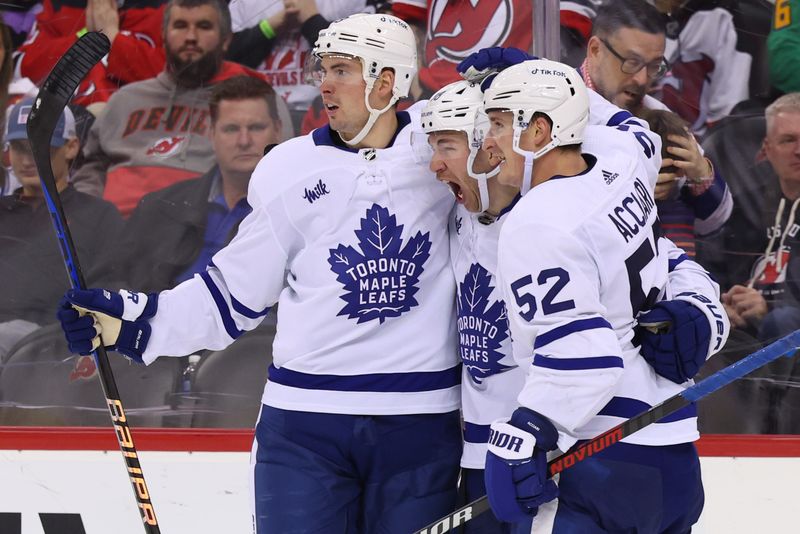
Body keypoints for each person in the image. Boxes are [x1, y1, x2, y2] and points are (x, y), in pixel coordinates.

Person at [57, 13, 462, 533]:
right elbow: (230, 296)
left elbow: (552, 154)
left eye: (342, 69)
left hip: (419, 426)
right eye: (323, 69)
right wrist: (135, 320)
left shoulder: (444, 149)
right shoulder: (289, 168)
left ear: (387, 81)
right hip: (305, 428)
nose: (325, 83)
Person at [480, 59, 729, 531]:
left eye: (497, 123)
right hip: (675, 454)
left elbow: (585, 359)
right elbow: (631, 128)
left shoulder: (537, 223)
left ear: (538, 131)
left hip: (601, 457)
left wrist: (527, 433)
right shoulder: (625, 157)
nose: (488, 141)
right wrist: (704, 307)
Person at [422, 78, 524, 534]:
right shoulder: (458, 214)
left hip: (552, 455)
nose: (433, 165)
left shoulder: (558, 217)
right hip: (479, 456)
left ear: (490, 144)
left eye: (447, 145)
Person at [70, 0, 281, 216]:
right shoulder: (125, 100)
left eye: (204, 26)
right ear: (163, 35)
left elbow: (276, 179)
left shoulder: (254, 102)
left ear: (226, 40)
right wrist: (86, 220)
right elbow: (90, 172)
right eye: (180, 26)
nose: (190, 37)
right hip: (112, 232)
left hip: (203, 232)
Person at [581, 0, 732, 258]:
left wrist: (700, 173)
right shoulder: (551, 108)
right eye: (631, 62)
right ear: (595, 49)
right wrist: (631, 195)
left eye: (654, 66)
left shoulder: (660, 114)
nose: (642, 79)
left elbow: (715, 222)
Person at [109, 75, 283, 292]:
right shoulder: (159, 207)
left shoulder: (303, 211)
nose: (244, 141)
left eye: (256, 128)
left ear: (278, 130)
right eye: (231, 129)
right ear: (212, 134)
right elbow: (116, 282)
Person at [0, 98, 122, 357]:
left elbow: (109, 291)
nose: (28, 159)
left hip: (49, 341)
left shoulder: (99, 216)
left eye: (41, 146)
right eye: (20, 148)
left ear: (71, 147)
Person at [706, 93, 800, 342]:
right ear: (767, 149)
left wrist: (769, 307)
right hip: (741, 332)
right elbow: (714, 265)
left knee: (783, 321)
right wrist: (720, 304)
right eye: (788, 140)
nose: (799, 151)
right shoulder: (743, 208)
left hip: (788, 334)